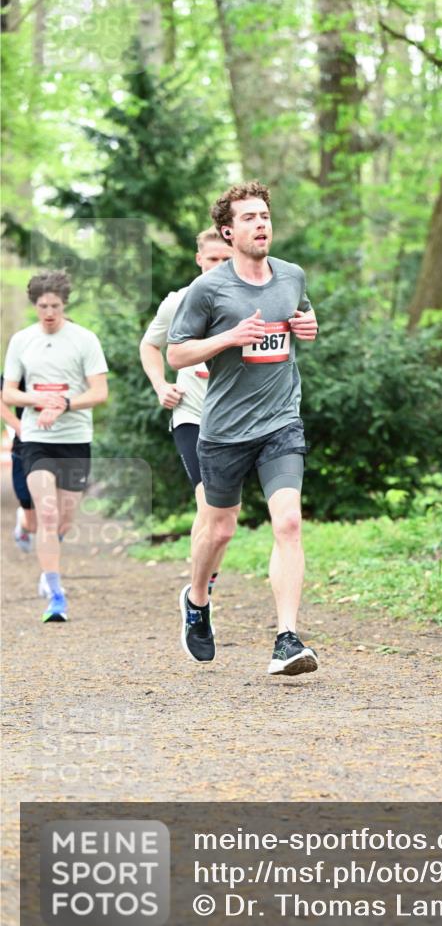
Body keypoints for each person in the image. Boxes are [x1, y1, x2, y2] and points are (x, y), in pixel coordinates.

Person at [167, 181, 319, 674]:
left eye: (265, 216)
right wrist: (229, 337)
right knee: (219, 529)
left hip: (281, 422)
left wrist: (308, 326)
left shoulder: (291, 275)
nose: (261, 225)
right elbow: (177, 353)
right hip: (225, 430)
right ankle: (197, 600)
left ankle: (287, 639)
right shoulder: (208, 289)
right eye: (249, 218)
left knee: (289, 522)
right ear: (228, 232)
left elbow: (303, 314)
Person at [2, 270, 109, 622]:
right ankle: (56, 593)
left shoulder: (84, 340)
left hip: (75, 439)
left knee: (63, 520)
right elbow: (9, 393)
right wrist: (37, 401)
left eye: (55, 306)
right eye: (43, 306)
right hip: (37, 439)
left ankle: (48, 566)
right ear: (35, 305)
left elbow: (99, 392)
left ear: (64, 305)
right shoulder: (22, 341)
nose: (49, 312)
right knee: (46, 515)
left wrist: (64, 403)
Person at [139, 227, 232, 602]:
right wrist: (161, 385)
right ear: (199, 260)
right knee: (209, 505)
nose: (219, 266)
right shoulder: (178, 302)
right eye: (213, 259)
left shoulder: (250, 300)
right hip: (191, 416)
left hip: (234, 421)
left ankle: (203, 584)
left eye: (227, 259)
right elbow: (150, 345)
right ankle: (198, 597)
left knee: (224, 520)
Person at [1, 375, 37, 552]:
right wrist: (18, 425)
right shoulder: (22, 363)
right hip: (26, 447)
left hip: (64, 445)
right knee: (33, 526)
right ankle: (24, 520)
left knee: (57, 518)